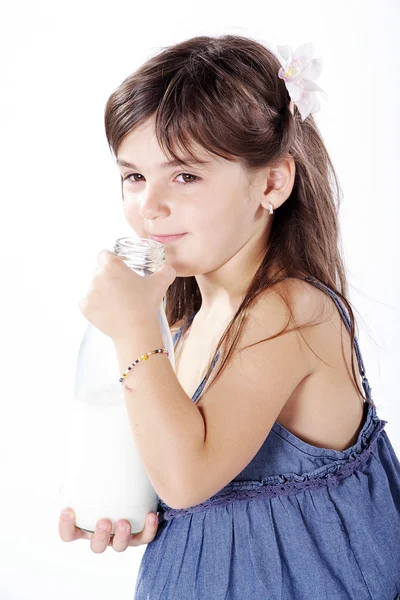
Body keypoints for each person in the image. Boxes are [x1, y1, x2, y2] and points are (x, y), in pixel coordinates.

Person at [59, 34, 400, 598]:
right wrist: (128, 502)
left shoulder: (292, 312)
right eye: (134, 176)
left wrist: (132, 327)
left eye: (185, 176)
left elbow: (188, 478)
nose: (150, 206)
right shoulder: (188, 322)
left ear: (271, 182)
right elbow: (181, 477)